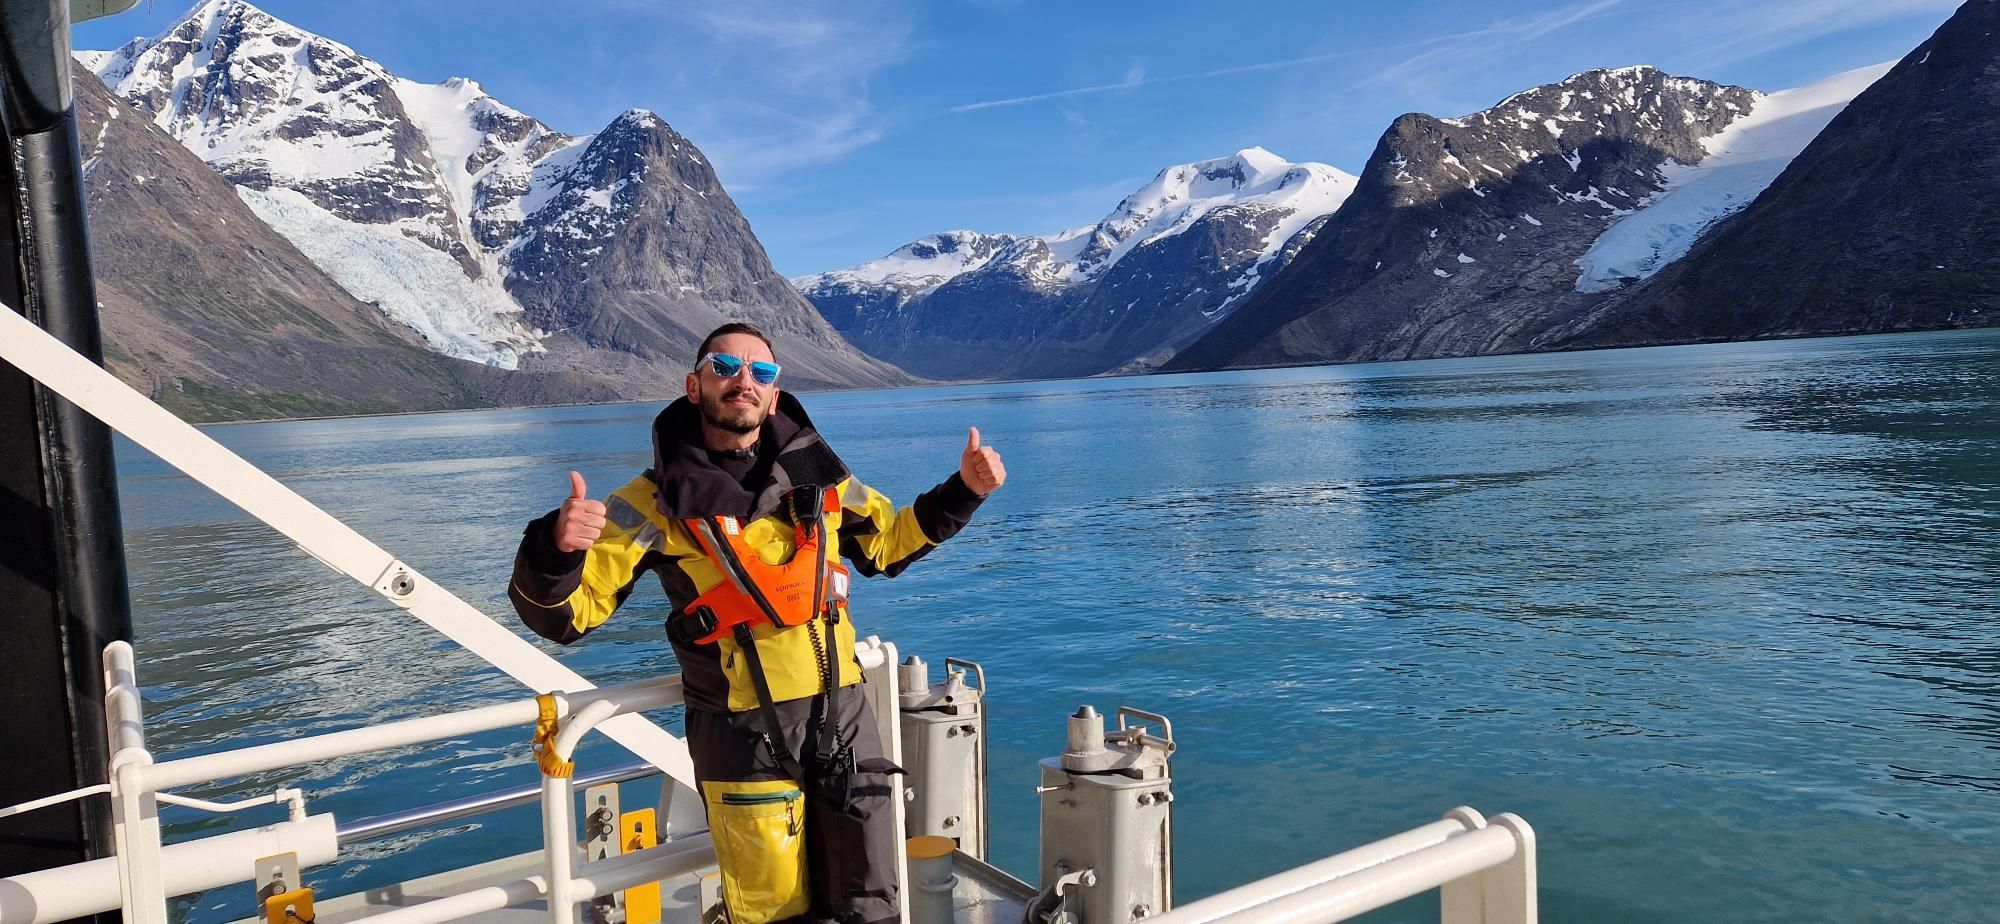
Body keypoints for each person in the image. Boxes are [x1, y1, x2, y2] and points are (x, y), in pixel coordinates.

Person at [508, 322, 1005, 924]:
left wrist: (964, 491)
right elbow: (566, 616)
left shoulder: (822, 481)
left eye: (761, 372)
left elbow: (887, 545)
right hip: (743, 741)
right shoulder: (650, 504)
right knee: (772, 917)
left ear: (775, 393)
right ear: (695, 386)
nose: (744, 381)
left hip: (845, 724)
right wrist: (555, 549)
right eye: (726, 367)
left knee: (873, 905)